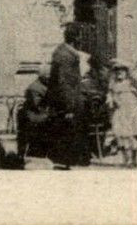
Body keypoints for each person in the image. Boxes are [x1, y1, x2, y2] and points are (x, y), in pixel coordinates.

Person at [46, 24, 93, 169]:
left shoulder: (65, 52)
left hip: (70, 100)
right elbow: (64, 82)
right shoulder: (65, 55)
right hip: (67, 103)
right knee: (67, 132)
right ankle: (65, 162)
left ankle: (69, 161)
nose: (82, 40)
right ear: (76, 38)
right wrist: (69, 107)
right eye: (81, 36)